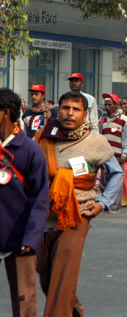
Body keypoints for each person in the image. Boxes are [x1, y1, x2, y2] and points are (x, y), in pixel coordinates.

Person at [35, 91, 122, 316]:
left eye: (76, 109)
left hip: (78, 215)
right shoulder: (43, 137)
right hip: (44, 216)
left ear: (85, 114)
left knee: (62, 276)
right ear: (58, 109)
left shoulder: (96, 141)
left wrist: (103, 203)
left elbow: (116, 173)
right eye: (65, 108)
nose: (69, 113)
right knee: (47, 278)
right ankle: (74, 311)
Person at [0, 88, 49, 317]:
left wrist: (31, 238)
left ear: (5, 113)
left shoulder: (31, 151)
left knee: (25, 303)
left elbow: (40, 199)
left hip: (20, 238)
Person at [99, 93, 127, 213]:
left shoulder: (124, 121)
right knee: (103, 180)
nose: (107, 107)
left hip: (118, 155)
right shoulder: (102, 119)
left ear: (115, 105)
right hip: (104, 155)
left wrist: (125, 154)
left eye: (109, 104)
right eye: (105, 105)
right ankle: (105, 202)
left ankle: (115, 205)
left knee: (116, 180)